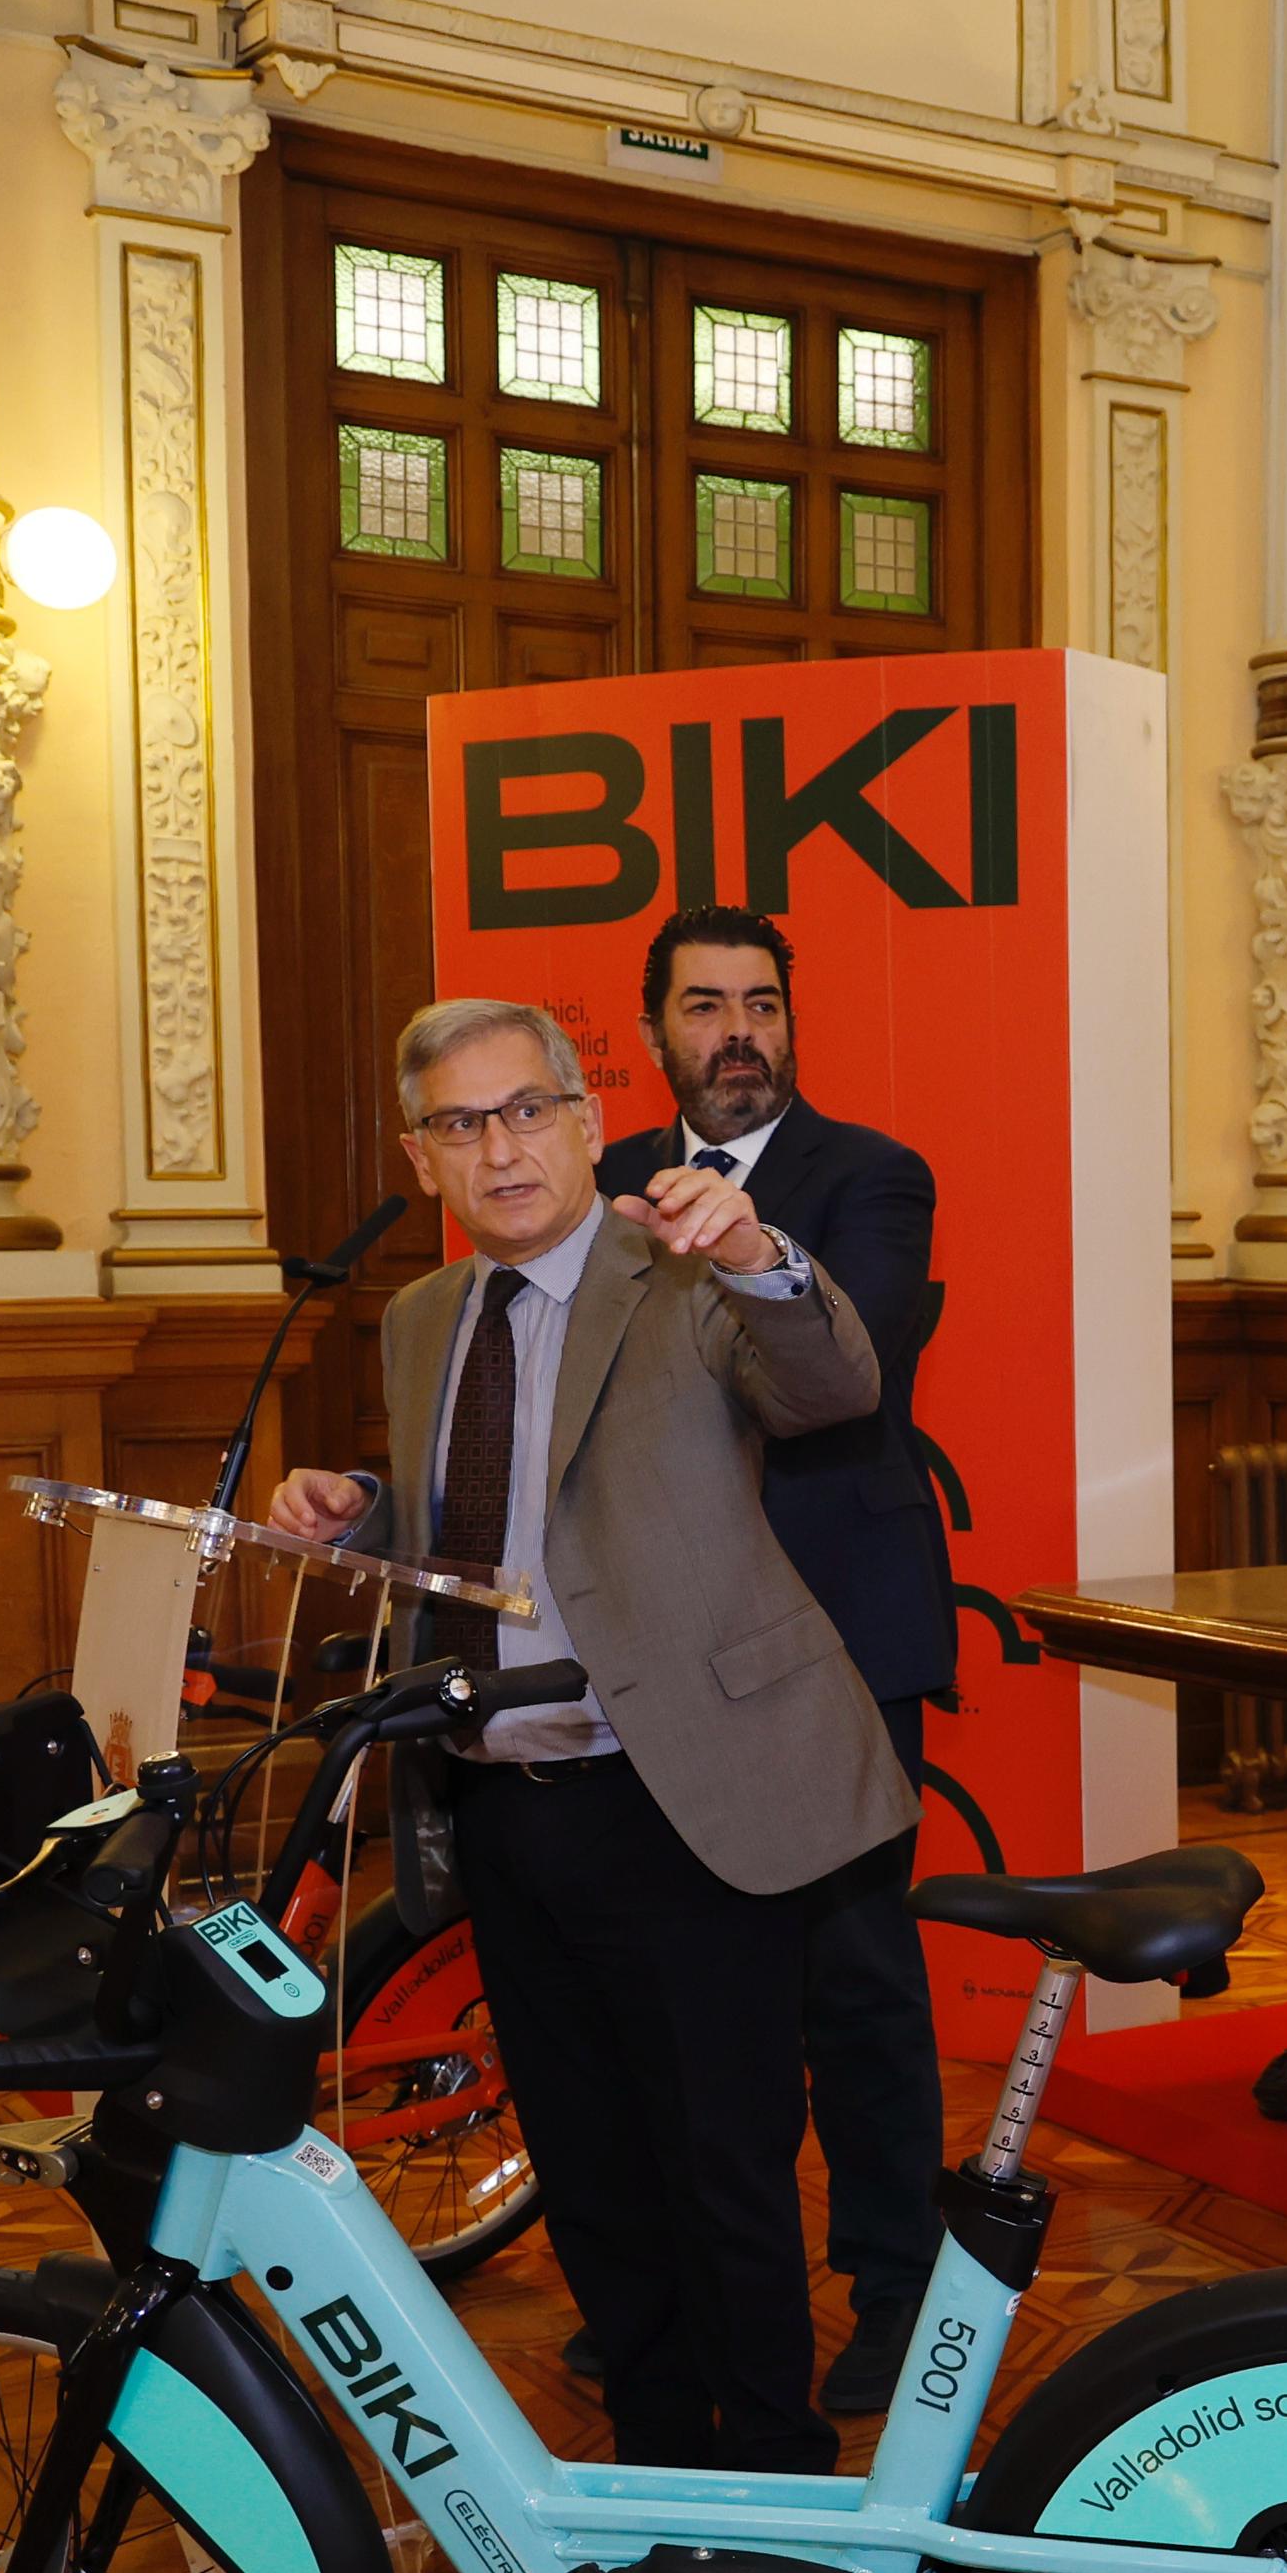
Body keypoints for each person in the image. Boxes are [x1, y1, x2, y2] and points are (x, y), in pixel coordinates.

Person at [267, 997, 915, 2477]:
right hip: (507, 1801)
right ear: (421, 1157)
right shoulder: (422, 1319)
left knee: (725, 2173)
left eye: (525, 1111)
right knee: (592, 2175)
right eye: (458, 1124)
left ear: (585, 1119)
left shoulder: (680, 1271)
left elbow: (832, 1386)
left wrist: (757, 1254)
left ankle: (775, 2491)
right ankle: (655, 2473)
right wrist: (365, 1515)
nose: (499, 1149)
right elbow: (485, 1523)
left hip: (681, 1793)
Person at [595, 904, 954, 2414]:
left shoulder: (869, 1175)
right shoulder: (602, 1183)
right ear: (654, 1032)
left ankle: (899, 2288)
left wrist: (745, 1248)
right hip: (667, 1641)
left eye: (762, 1003)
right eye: (705, 1005)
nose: (738, 1031)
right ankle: (695, 2289)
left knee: (854, 1981)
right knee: (681, 1988)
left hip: (838, 1623)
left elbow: (846, 1365)